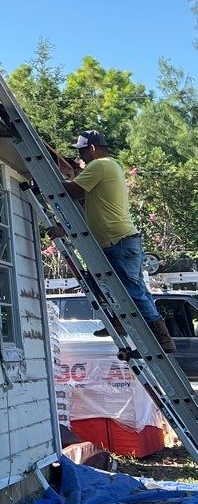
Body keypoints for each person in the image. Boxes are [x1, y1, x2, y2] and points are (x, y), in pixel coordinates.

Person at [57, 129, 176, 354]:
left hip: (118, 241)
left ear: (92, 148)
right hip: (119, 240)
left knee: (132, 291)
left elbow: (74, 191)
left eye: (82, 151)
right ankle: (122, 322)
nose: (81, 157)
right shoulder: (106, 167)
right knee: (123, 286)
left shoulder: (100, 165)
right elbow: (87, 209)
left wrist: (52, 179)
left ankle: (162, 339)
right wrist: (63, 229)